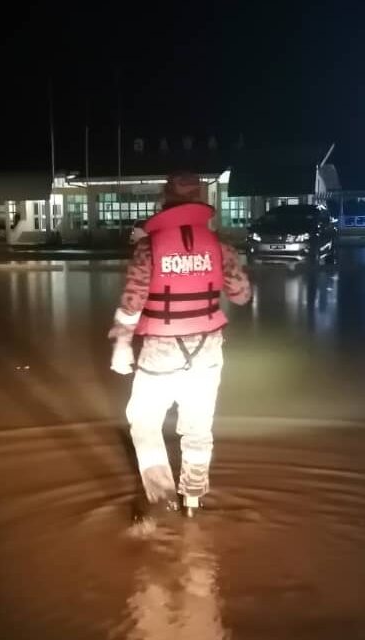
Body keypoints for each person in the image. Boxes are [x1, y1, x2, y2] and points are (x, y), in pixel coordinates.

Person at [109, 170, 252, 520]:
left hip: (160, 349)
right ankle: (192, 499)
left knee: (143, 421)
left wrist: (121, 344)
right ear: (202, 200)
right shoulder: (222, 247)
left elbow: (133, 302)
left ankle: (160, 498)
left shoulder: (148, 248)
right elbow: (242, 296)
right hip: (207, 349)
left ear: (165, 200)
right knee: (198, 428)